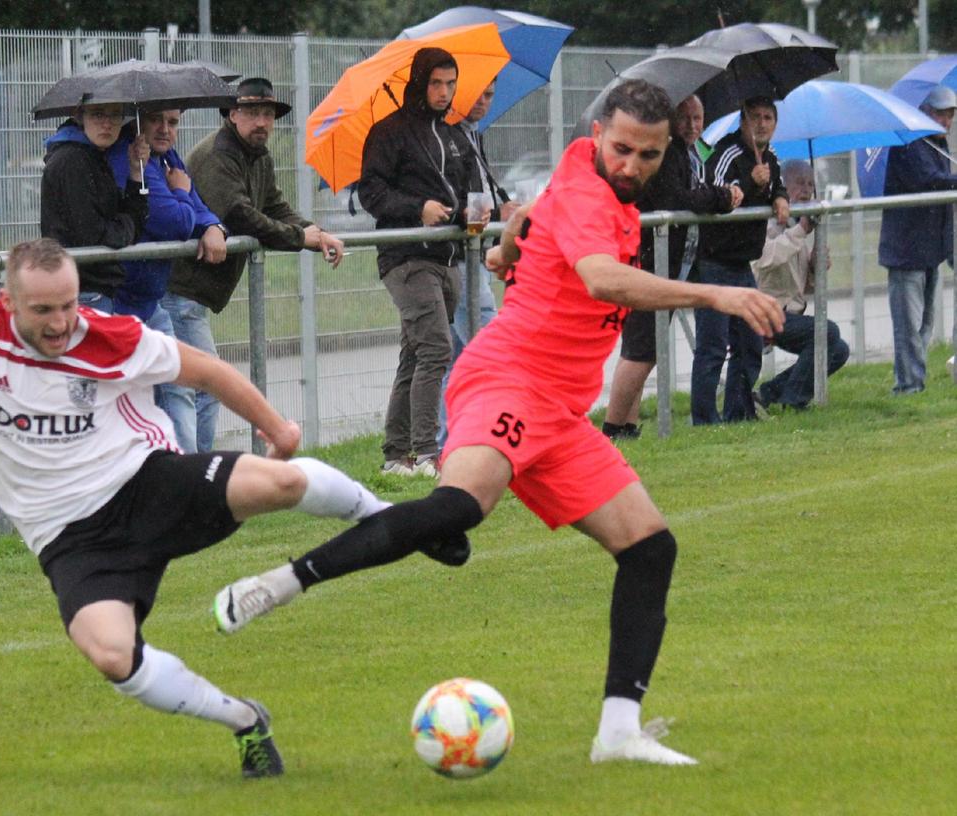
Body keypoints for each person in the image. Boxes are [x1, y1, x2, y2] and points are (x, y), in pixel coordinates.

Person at [209, 80, 785, 766]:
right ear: (600, 133)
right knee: (458, 508)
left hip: (561, 414)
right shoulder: (584, 193)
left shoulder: (578, 164)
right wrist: (716, 293)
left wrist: (505, 253)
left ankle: (617, 732)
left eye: (649, 155)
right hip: (508, 379)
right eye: (622, 149)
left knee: (649, 548)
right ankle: (278, 583)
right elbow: (602, 280)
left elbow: (528, 222)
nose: (630, 165)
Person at [0, 232, 392, 779]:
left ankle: (392, 519)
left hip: (144, 482)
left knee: (280, 483)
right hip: (67, 536)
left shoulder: (115, 337)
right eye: (43, 311)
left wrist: (278, 429)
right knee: (113, 656)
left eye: (68, 305)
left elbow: (208, 371)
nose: (61, 323)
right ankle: (243, 720)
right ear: (8, 300)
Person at [170, 77, 346, 452]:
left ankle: (189, 475)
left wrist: (316, 232)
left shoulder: (256, 156)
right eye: (251, 113)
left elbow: (273, 206)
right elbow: (238, 214)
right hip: (179, 291)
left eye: (268, 114)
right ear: (232, 115)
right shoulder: (220, 153)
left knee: (189, 389)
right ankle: (193, 479)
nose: (262, 122)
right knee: (201, 388)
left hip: (193, 297)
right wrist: (301, 238)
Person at [360, 47, 477, 477]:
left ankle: (396, 455)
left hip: (449, 259)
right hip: (406, 259)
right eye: (436, 83)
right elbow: (371, 193)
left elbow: (466, 195)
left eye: (451, 84)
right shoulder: (388, 133)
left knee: (415, 354)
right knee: (436, 349)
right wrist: (417, 209)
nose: (444, 92)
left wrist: (472, 212)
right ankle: (427, 453)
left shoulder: (456, 135)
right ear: (419, 82)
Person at [603, 94, 742, 439]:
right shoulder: (666, 154)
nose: (693, 125)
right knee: (641, 351)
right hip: (649, 262)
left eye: (698, 118)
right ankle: (611, 428)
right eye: (686, 118)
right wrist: (721, 198)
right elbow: (676, 199)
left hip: (665, 261)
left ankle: (627, 426)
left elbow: (686, 193)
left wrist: (716, 193)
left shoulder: (685, 153)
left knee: (644, 350)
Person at [104, 108, 227, 452]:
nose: (165, 129)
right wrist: (184, 195)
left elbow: (197, 208)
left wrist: (213, 226)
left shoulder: (166, 158)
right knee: (138, 398)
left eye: (173, 122)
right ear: (137, 121)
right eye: (156, 120)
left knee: (183, 386)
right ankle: (177, 475)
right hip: (121, 302)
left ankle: (191, 474)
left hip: (149, 300)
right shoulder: (130, 157)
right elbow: (171, 221)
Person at [692, 96, 789, 425]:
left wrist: (779, 197)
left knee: (750, 342)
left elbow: (779, 186)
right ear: (742, 122)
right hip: (713, 263)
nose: (762, 123)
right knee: (714, 347)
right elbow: (718, 197)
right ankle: (705, 421)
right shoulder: (726, 153)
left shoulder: (771, 158)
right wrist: (751, 182)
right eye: (755, 117)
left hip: (742, 265)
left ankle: (740, 413)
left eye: (768, 117)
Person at [436, 77, 516, 452]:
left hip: (475, 254)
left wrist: (501, 211)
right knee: (493, 348)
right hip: (459, 258)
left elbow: (477, 196)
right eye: (477, 93)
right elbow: (458, 201)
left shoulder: (471, 134)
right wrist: (498, 211)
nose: (484, 102)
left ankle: (448, 439)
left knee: (454, 358)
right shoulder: (447, 135)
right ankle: (488, 436)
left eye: (490, 95)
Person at [751, 160, 849, 411]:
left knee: (839, 350)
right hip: (765, 314)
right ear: (783, 186)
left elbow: (805, 286)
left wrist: (817, 264)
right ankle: (793, 400)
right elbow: (764, 260)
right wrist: (802, 231)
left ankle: (770, 393)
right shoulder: (766, 221)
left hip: (791, 314)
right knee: (827, 332)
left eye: (810, 184)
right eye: (799, 183)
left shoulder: (799, 228)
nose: (806, 190)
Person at [879, 85, 957, 395]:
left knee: (925, 325)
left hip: (929, 251)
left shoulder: (939, 145)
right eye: (941, 113)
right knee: (909, 327)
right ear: (924, 114)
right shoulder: (909, 144)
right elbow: (930, 181)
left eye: (950, 114)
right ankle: (908, 386)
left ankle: (915, 382)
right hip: (905, 252)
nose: (947, 121)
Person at [40, 102, 149, 308]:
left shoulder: (94, 157)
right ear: (80, 116)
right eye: (98, 114)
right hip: (82, 290)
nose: (107, 124)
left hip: (93, 288)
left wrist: (136, 172)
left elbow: (130, 225)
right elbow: (94, 234)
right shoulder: (73, 161)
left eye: (115, 115)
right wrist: (126, 226)